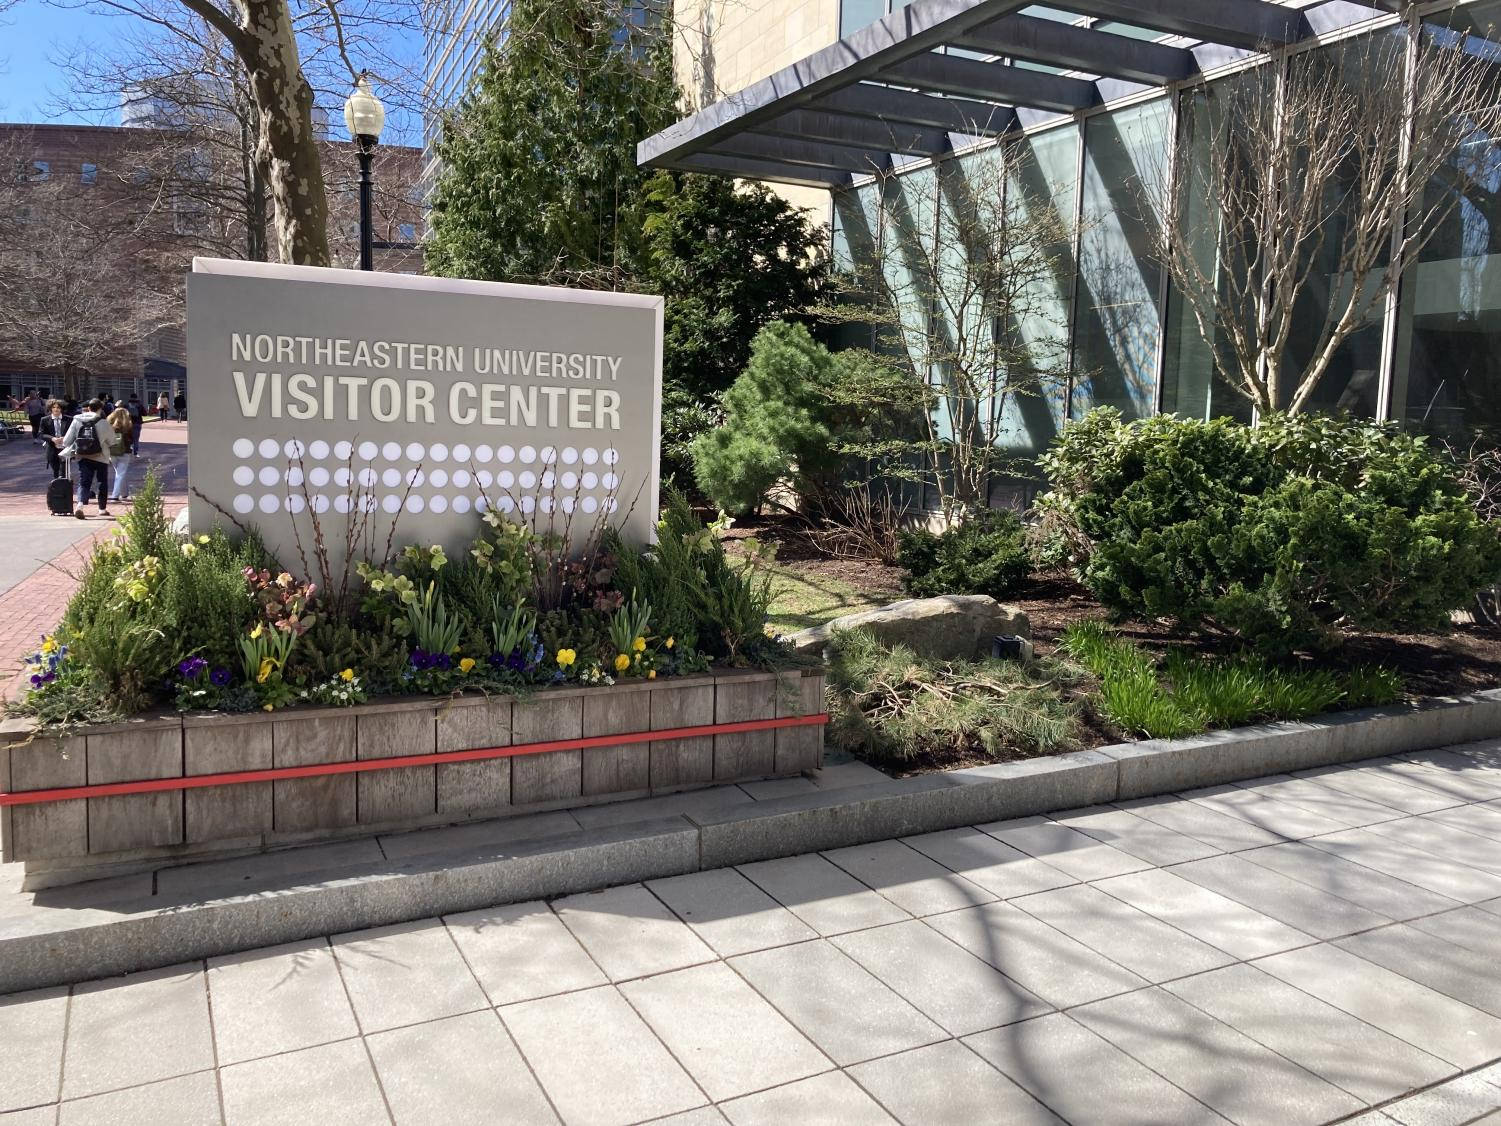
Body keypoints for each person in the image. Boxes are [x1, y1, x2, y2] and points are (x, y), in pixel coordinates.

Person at [58, 398, 115, 519]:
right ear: (100, 409)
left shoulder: (77, 420)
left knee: (84, 482)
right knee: (102, 482)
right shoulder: (104, 422)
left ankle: (80, 505)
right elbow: (111, 441)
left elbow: (67, 440)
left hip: (83, 455)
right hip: (101, 456)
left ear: (88, 408)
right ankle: (102, 509)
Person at [105, 405, 134, 504]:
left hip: (112, 451)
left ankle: (124, 493)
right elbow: (132, 439)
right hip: (125, 451)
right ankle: (115, 495)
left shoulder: (109, 425)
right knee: (120, 473)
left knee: (120, 472)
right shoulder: (128, 425)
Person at [40, 400, 68, 479]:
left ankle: (63, 486)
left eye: (58, 407)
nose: (56, 409)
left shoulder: (68, 419)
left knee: (63, 471)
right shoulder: (45, 420)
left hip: (65, 448)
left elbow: (73, 432)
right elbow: (41, 434)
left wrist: (65, 438)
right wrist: (52, 438)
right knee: (55, 471)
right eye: (54, 407)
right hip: (52, 448)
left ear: (61, 408)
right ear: (50, 408)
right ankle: (57, 488)